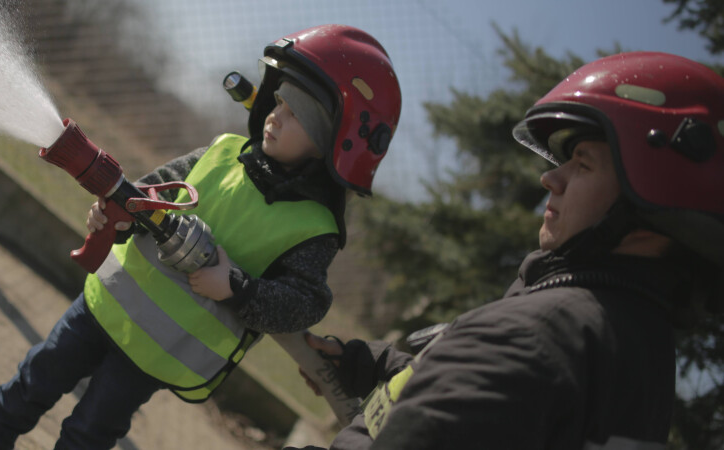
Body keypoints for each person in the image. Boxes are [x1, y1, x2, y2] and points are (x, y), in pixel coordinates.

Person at [0, 24, 402, 450]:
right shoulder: (224, 151)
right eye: (279, 101)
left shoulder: (315, 230)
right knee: (37, 375)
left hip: (161, 348)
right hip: (109, 301)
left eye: (296, 114)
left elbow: (306, 303)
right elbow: (152, 191)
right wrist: (113, 211)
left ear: (333, 144)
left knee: (91, 429)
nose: (274, 114)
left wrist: (239, 288)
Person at [291, 51, 724, 450]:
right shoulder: (633, 353)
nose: (550, 180)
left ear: (650, 208)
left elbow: (503, 372)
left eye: (584, 164)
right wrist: (373, 366)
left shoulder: (533, 339)